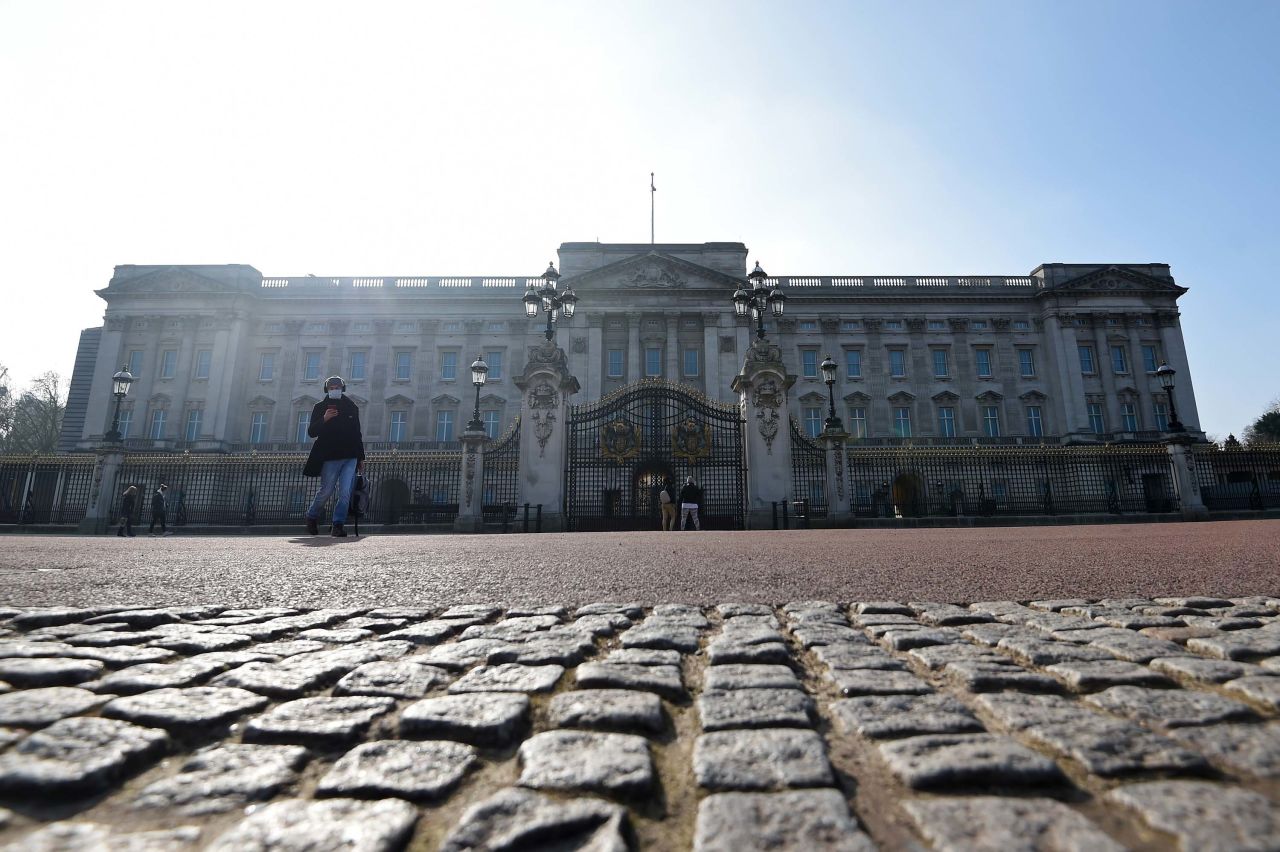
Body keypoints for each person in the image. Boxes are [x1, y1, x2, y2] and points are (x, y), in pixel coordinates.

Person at [303, 375, 365, 537]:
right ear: (327, 389)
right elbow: (311, 432)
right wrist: (324, 418)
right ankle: (312, 516)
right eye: (331, 388)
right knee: (326, 490)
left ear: (342, 389)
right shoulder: (320, 407)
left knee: (345, 492)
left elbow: (357, 433)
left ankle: (338, 524)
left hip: (350, 455)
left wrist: (361, 457)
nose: (334, 390)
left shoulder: (352, 406)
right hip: (329, 455)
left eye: (337, 387)